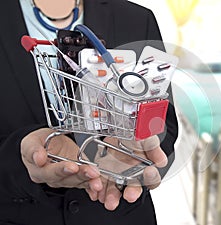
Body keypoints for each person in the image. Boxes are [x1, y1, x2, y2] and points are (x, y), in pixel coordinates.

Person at [0, 0, 178, 224]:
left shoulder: (136, 18)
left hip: (119, 216)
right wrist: (20, 158)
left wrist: (137, 154)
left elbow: (164, 126)